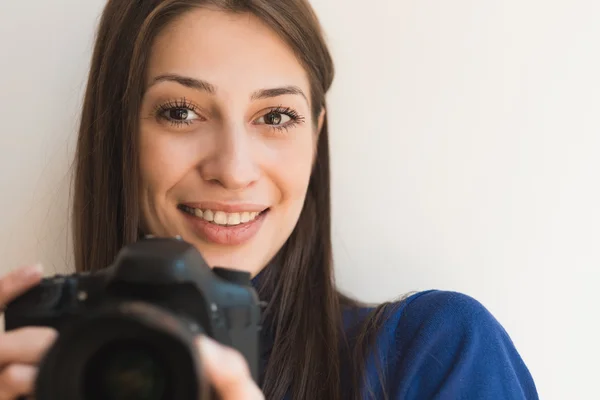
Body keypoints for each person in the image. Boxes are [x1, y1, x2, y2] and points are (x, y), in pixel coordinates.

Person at [0, 0, 539, 399]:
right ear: (117, 133)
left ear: (315, 138)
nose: (234, 170)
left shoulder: (434, 353)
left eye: (276, 116)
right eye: (181, 112)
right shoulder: (41, 371)